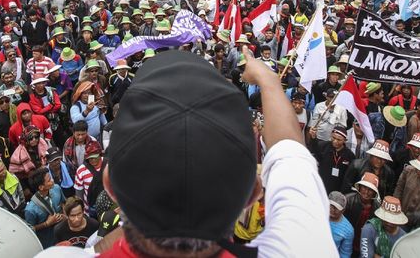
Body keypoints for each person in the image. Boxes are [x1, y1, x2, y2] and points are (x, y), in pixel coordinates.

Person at [43, 49, 337, 256]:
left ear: (110, 184)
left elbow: (290, 154)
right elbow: (290, 152)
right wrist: (268, 80)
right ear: (253, 192)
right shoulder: (302, 247)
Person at [25, 167, 67, 249]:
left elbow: (63, 203)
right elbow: (30, 230)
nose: (52, 181)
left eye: (50, 178)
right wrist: (46, 224)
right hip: (48, 243)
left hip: (63, 234)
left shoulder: (57, 188)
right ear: (41, 187)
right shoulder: (30, 209)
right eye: (49, 180)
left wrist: (65, 216)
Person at [310, 125, 355, 194]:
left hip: (338, 189)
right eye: (333, 138)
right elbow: (315, 151)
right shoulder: (323, 146)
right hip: (321, 185)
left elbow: (349, 176)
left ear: (345, 140)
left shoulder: (349, 155)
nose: (335, 141)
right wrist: (313, 138)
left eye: (339, 140)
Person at [328, 191, 354, 258]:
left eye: (336, 208)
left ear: (343, 210)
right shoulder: (318, 214)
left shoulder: (348, 230)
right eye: (331, 205)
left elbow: (345, 253)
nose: (332, 210)